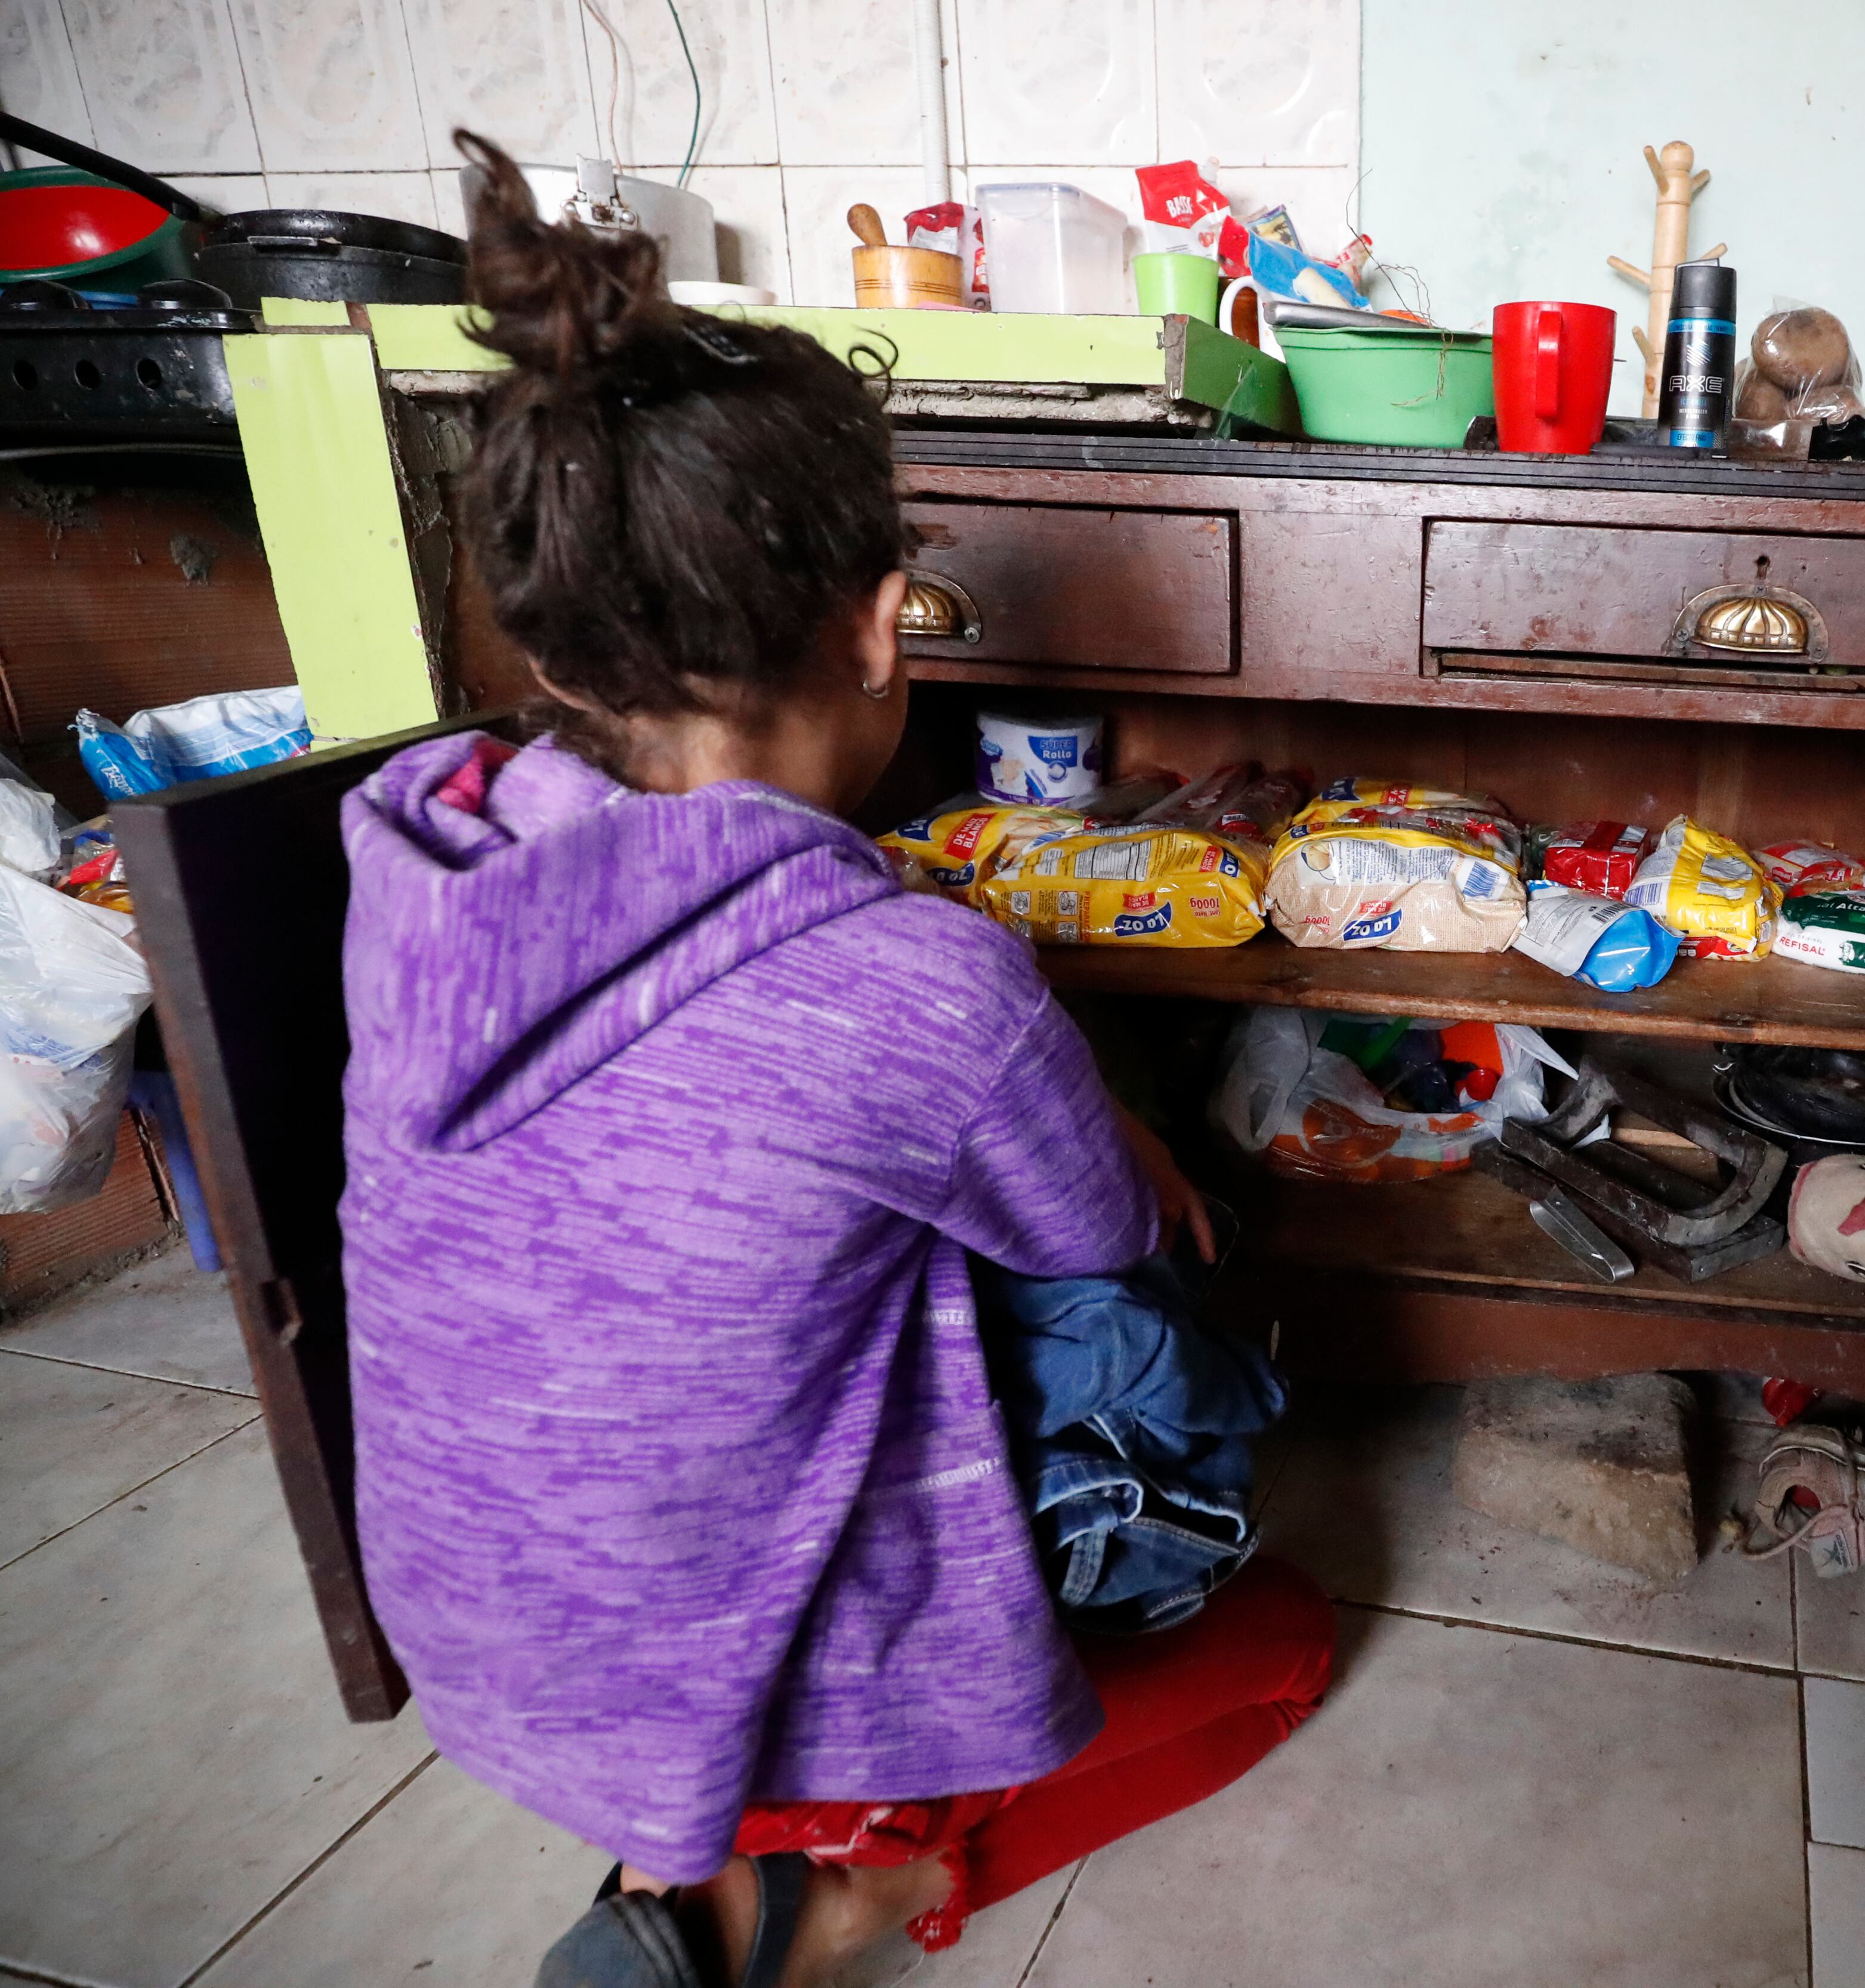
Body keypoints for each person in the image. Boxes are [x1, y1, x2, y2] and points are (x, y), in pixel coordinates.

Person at [339, 135, 1332, 1988]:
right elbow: (1093, 1233)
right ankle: (842, 1868)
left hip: (481, 1641)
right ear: (890, 627)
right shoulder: (924, 989)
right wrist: (1090, 1106)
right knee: (1251, 1583)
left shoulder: (428, 857)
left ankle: (710, 1883)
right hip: (754, 1679)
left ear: (562, 655)